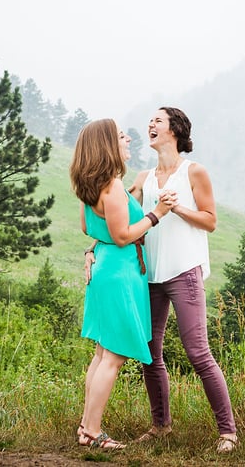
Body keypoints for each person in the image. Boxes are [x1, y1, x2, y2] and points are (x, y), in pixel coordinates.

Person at [129, 106, 238, 453]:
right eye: (150, 121)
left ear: (174, 130)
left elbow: (210, 220)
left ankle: (228, 433)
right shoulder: (143, 178)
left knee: (197, 352)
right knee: (149, 352)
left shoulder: (194, 172)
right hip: (151, 276)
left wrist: (175, 208)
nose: (150, 125)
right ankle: (161, 427)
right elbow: (121, 222)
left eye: (157, 120)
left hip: (184, 272)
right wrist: (91, 249)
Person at [70, 118, 173, 450]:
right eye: (120, 135)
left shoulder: (90, 186)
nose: (128, 138)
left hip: (104, 269)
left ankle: (86, 427)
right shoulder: (111, 186)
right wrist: (156, 212)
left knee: (102, 354)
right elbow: (123, 235)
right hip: (120, 273)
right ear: (106, 145)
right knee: (112, 358)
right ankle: (94, 431)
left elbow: (89, 227)